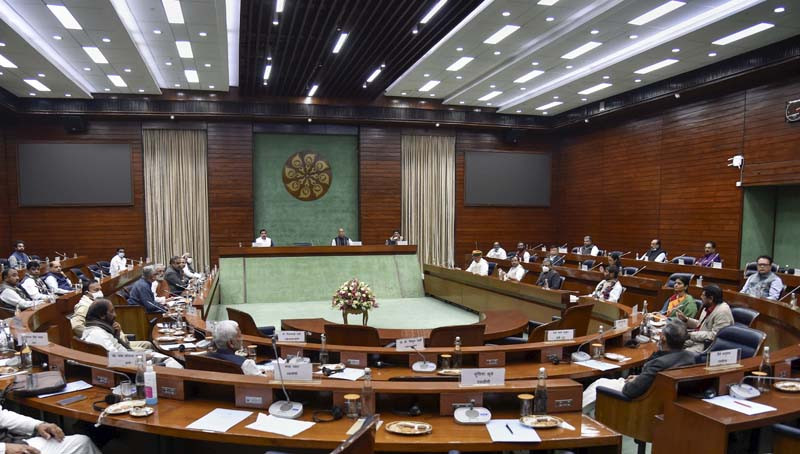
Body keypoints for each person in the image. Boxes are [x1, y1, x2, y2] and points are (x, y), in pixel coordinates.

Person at [582, 320, 695, 412]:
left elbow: (630, 391)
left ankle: (577, 417)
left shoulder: (659, 363)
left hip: (642, 404)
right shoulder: (690, 357)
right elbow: (655, 380)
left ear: (663, 338)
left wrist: (632, 382)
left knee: (599, 383)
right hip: (663, 402)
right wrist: (639, 378)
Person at [81, 299, 180, 368]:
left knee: (165, 358)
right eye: (112, 312)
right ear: (102, 316)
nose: (115, 315)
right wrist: (142, 357)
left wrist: (116, 335)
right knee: (172, 363)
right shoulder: (97, 334)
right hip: (131, 367)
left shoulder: (99, 329)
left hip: (131, 359)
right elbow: (115, 360)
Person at [71, 282, 153, 351]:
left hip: (119, 341)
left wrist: (114, 334)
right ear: (86, 293)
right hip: (120, 349)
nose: (100, 292)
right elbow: (76, 326)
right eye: (96, 290)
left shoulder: (96, 305)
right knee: (150, 353)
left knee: (148, 345)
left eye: (100, 289)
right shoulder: (84, 307)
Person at [0, 404, 101, 454]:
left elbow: (2, 416)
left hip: (10, 442)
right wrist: (4, 449)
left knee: (82, 443)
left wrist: (38, 425)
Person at [676, 284, 734, 353]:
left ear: (711, 298)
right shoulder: (708, 306)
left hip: (707, 345)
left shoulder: (722, 312)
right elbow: (701, 325)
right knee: (672, 344)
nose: (701, 297)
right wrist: (686, 319)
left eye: (703, 295)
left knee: (682, 355)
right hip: (697, 339)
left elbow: (715, 336)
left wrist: (690, 335)